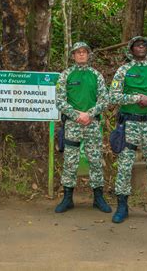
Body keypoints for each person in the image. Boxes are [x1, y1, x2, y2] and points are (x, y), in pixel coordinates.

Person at [109, 36, 147, 224]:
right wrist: (136, 98)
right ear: (131, 50)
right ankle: (122, 206)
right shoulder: (124, 70)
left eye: (144, 44)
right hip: (129, 124)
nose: (141, 47)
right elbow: (113, 96)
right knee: (125, 165)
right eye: (137, 45)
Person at [54, 42, 111, 213]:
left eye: (84, 52)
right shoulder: (65, 75)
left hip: (92, 124)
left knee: (95, 159)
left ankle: (98, 197)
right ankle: (67, 198)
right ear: (73, 56)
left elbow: (104, 100)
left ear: (88, 55)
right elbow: (59, 101)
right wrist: (76, 115)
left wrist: (90, 114)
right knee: (70, 161)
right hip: (72, 124)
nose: (80, 55)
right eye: (77, 52)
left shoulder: (96, 76)